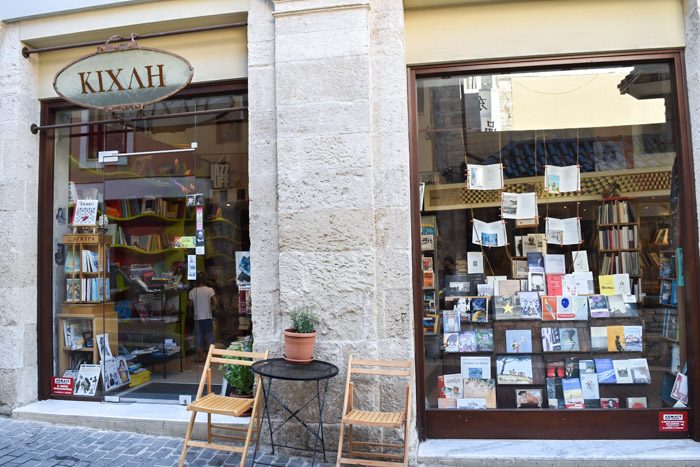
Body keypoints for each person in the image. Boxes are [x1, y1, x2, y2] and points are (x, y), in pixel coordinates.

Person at [188, 275, 218, 362]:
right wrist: (214, 308)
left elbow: (189, 305)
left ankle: (200, 356)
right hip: (207, 317)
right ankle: (210, 356)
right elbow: (215, 302)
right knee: (209, 336)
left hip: (197, 318)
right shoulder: (209, 290)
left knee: (198, 337)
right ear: (204, 281)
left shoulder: (192, 292)